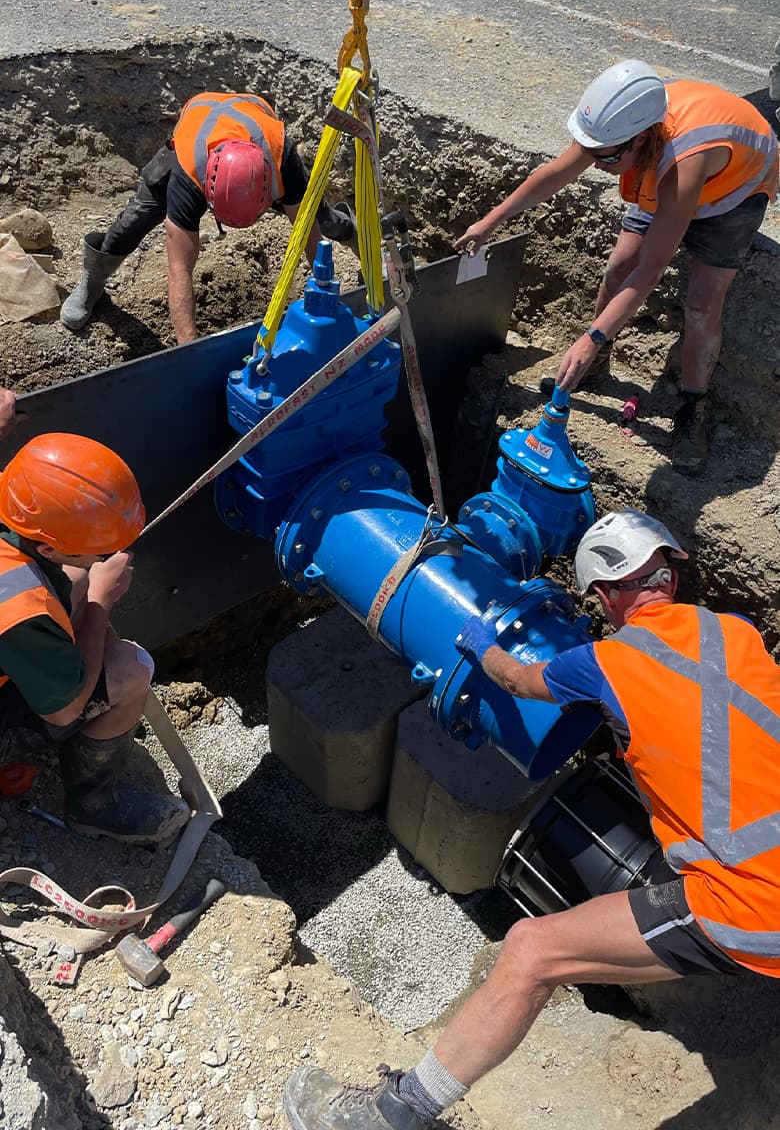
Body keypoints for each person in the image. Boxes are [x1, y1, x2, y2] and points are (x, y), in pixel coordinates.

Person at [283, 508, 780, 1130]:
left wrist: (480, 642)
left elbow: (515, 678)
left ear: (601, 594)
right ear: (668, 577)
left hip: (754, 900)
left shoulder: (603, 663)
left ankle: (391, 1117)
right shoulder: (736, 633)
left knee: (531, 949)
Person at [453, 60, 779, 475]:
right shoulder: (617, 132)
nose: (595, 164)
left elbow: (650, 271)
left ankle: (692, 406)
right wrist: (488, 224)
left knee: (701, 304)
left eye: (603, 156)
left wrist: (588, 337)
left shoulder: (680, 165)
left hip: (735, 186)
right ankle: (595, 365)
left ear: (639, 140)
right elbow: (555, 173)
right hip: (668, 165)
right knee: (617, 268)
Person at [0, 432, 189, 842]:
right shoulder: (17, 606)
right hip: (15, 652)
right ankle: (94, 807)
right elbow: (64, 711)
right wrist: (101, 601)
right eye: (100, 552)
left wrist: (87, 575)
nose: (108, 558)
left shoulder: (14, 506)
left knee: (77, 578)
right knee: (130, 669)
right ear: (47, 549)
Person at [61, 90, 357, 344]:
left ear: (268, 193)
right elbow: (180, 271)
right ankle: (93, 280)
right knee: (136, 217)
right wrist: (189, 350)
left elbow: (307, 235)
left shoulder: (282, 159)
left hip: (252, 120)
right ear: (208, 195)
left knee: (321, 218)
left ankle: (356, 234)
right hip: (198, 124)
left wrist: (326, 306)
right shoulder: (188, 176)